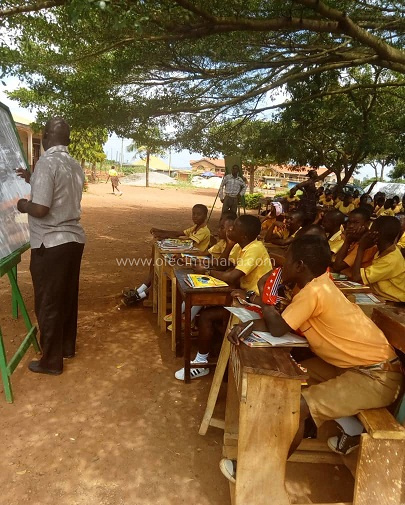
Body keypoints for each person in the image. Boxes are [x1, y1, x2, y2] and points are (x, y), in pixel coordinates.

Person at [221, 236, 402, 482]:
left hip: (377, 376)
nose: (282, 266)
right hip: (353, 368)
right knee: (288, 382)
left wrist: (266, 297)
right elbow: (283, 323)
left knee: (295, 404)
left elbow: (277, 328)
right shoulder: (318, 285)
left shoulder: (314, 292)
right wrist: (254, 323)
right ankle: (351, 428)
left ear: (299, 266)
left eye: (288, 260)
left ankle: (256, 472)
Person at [16, 117, 86, 375]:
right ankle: (66, 347)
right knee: (66, 297)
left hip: (50, 243)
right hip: (73, 241)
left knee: (48, 302)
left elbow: (42, 208)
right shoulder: (74, 165)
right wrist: (32, 178)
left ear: (45, 137)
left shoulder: (47, 162)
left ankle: (51, 361)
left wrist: (23, 205)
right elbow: (58, 192)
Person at [174, 215, 272, 380]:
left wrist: (206, 272)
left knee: (207, 316)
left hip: (256, 304)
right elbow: (223, 264)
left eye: (234, 228)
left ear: (244, 235)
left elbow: (233, 276)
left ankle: (201, 364)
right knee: (205, 303)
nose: (230, 229)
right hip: (242, 297)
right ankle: (207, 351)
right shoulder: (241, 246)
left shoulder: (255, 248)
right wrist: (198, 263)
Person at [122, 204, 210, 305]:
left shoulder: (204, 231)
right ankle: (139, 291)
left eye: (198, 214)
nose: (195, 216)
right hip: (184, 257)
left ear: (205, 216)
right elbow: (179, 233)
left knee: (162, 268)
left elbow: (187, 242)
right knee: (157, 267)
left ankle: (140, 295)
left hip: (192, 260)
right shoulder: (195, 227)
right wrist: (161, 232)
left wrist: (165, 237)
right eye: (193, 214)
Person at [351, 216, 405, 302]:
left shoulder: (390, 259)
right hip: (379, 295)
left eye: (370, 231)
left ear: (376, 234)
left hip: (393, 302)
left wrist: (361, 248)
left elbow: (356, 277)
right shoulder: (382, 251)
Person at [332, 208, 377, 277]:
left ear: (367, 224)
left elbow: (337, 267)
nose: (351, 226)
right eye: (349, 222)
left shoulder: (366, 242)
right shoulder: (355, 238)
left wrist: (347, 241)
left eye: (356, 223)